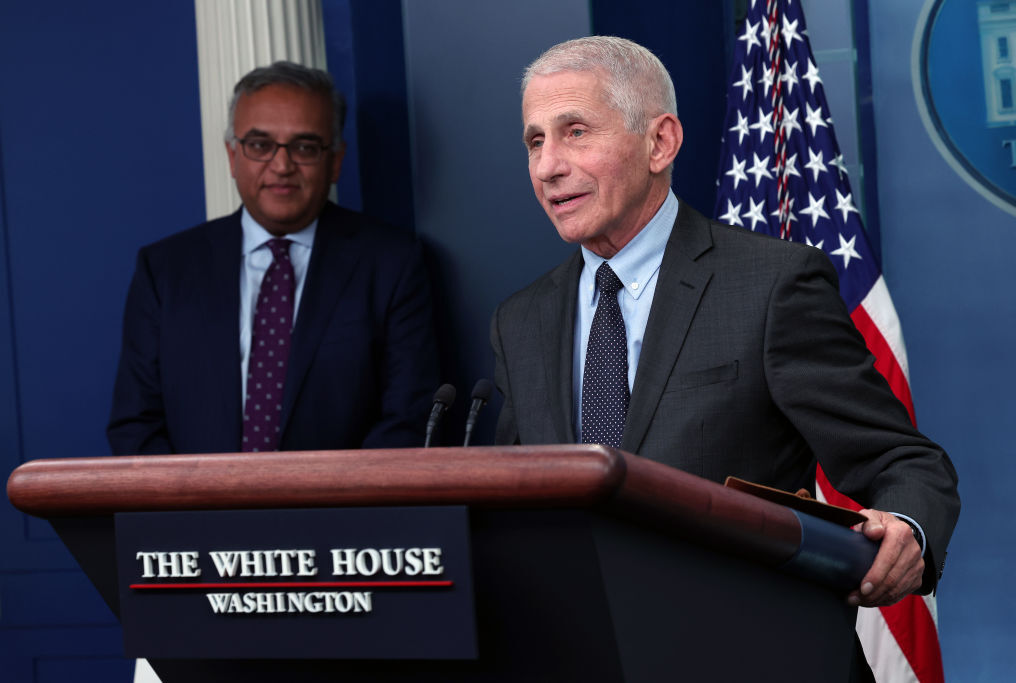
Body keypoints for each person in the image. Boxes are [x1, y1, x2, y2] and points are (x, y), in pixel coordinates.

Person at [490, 36, 959, 609]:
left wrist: (909, 526)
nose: (547, 167)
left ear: (660, 142)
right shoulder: (521, 321)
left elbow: (902, 461)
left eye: (575, 133)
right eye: (534, 141)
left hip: (746, 646)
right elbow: (510, 503)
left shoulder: (771, 286)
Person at [108, 61, 438, 455]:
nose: (281, 166)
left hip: (344, 512)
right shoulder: (164, 270)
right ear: (233, 156)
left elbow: (409, 418)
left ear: (334, 160)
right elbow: (136, 424)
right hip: (193, 513)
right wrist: (191, 510)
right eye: (260, 145)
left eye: (304, 147)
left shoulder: (393, 263)